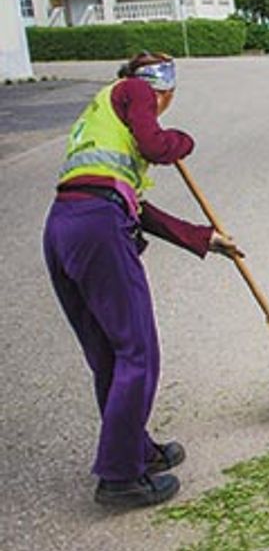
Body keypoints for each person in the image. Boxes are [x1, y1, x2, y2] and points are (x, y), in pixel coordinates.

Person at [42, 52, 241, 508]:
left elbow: (137, 209)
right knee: (138, 352)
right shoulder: (136, 92)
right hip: (97, 227)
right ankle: (119, 478)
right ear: (162, 89)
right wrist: (182, 141)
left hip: (64, 227)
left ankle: (134, 450)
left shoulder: (103, 112)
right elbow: (158, 146)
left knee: (111, 355)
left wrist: (203, 238)